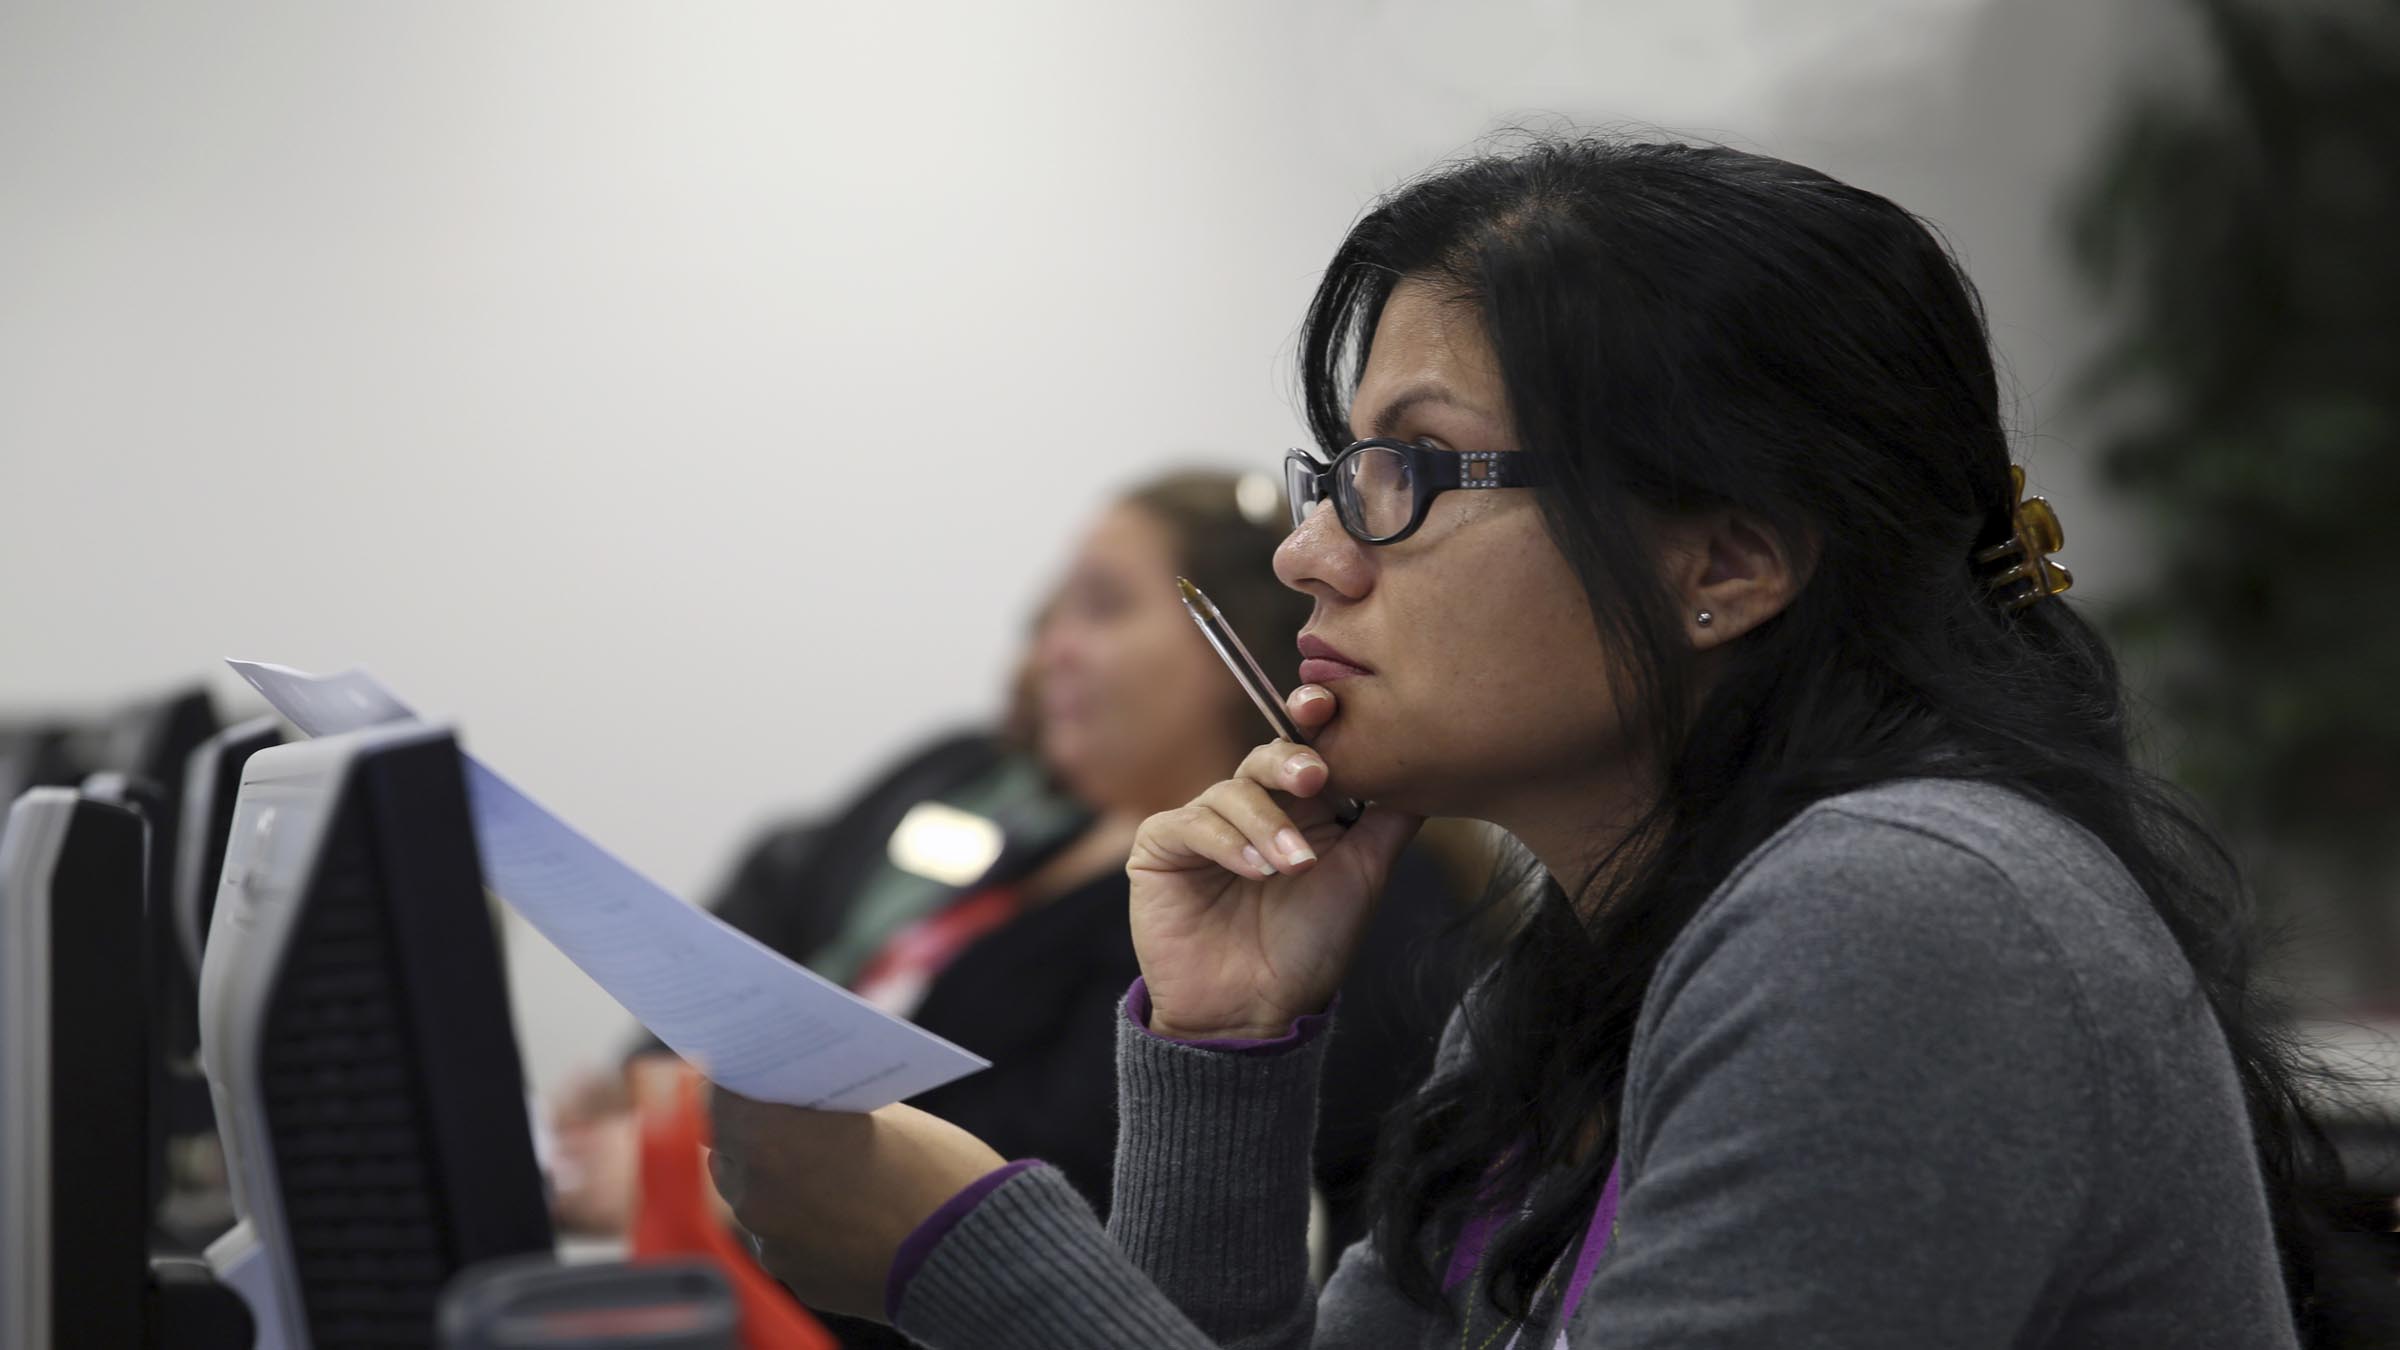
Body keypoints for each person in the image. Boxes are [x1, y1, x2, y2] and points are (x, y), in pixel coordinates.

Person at [702, 137, 2400, 1348]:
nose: (1309, 554)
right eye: (1332, 473)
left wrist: (956, 1249)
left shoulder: (1905, 916)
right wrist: (1226, 1051)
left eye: (1408, 475)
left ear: (1726, 563)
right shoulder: (1577, 968)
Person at [555, 471, 1473, 1342]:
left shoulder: (1306, 891)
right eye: (1050, 613)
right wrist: (658, 1086)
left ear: (1244, 646)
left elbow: (1087, 1178)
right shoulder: (981, 778)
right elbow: (773, 900)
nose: (1050, 647)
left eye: (1102, 607)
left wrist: (733, 1171)